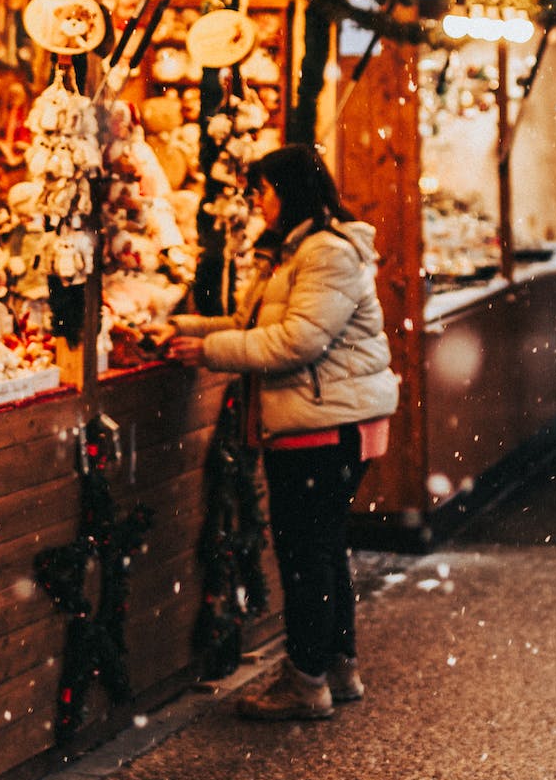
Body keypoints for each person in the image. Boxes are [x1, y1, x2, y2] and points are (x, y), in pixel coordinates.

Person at [168, 145, 398, 723]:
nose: (258, 202)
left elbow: (298, 342)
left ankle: (307, 679)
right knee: (321, 548)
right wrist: (187, 330)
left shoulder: (324, 253)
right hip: (319, 420)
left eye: (264, 190)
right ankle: (335, 666)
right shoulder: (296, 252)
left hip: (324, 424)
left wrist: (209, 351)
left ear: (291, 191)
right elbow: (256, 327)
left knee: (306, 554)